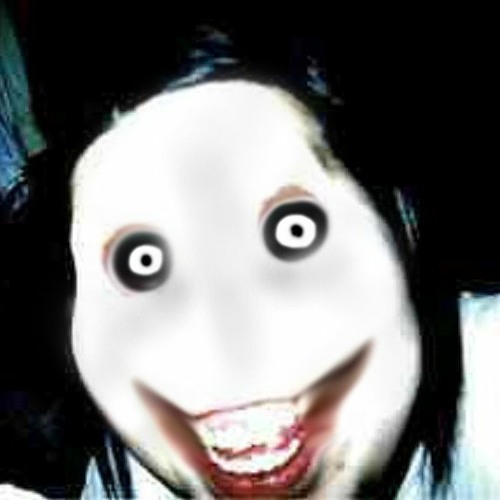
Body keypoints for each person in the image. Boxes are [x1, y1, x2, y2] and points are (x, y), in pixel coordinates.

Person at [1, 27, 498, 499]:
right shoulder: (129, 480)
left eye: (294, 231)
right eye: (142, 263)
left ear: (401, 225)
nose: (227, 346)